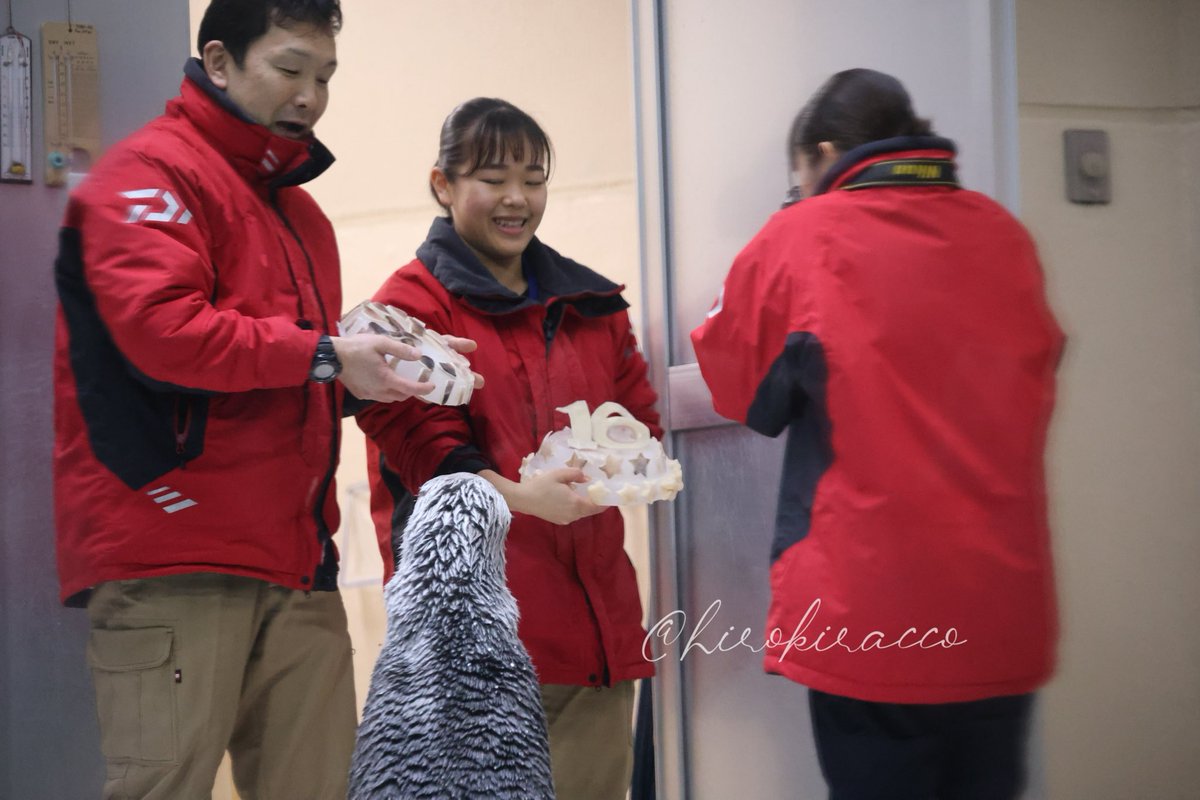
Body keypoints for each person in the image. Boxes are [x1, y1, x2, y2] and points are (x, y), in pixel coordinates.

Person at [52, 1, 463, 797]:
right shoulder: (146, 175)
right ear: (218, 61)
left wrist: (385, 368)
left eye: (326, 76)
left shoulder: (300, 213)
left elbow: (284, 376)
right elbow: (162, 333)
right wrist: (322, 356)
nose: (309, 94)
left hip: (298, 561)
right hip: (173, 551)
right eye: (289, 69)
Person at [691, 68, 1063, 800]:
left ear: (822, 154)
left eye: (798, 175)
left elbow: (738, 387)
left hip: (873, 614)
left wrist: (789, 220)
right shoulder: (1003, 232)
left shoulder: (804, 232)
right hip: (1001, 610)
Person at [356, 97, 661, 800]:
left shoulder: (593, 303)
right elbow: (425, 449)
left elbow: (640, 419)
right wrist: (527, 498)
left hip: (595, 643)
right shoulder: (408, 308)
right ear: (443, 184)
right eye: (493, 178)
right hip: (472, 659)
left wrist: (624, 462)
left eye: (534, 177)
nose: (517, 199)